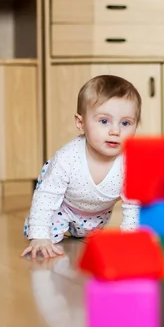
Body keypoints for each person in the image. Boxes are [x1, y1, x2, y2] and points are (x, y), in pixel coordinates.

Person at [21, 75, 142, 258]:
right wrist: (39, 235)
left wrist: (129, 238)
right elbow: (46, 195)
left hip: (97, 217)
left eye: (125, 123)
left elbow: (132, 204)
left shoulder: (130, 163)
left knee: (85, 241)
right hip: (63, 206)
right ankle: (34, 224)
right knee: (48, 242)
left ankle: (79, 231)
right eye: (103, 121)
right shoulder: (67, 158)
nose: (115, 131)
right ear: (81, 123)